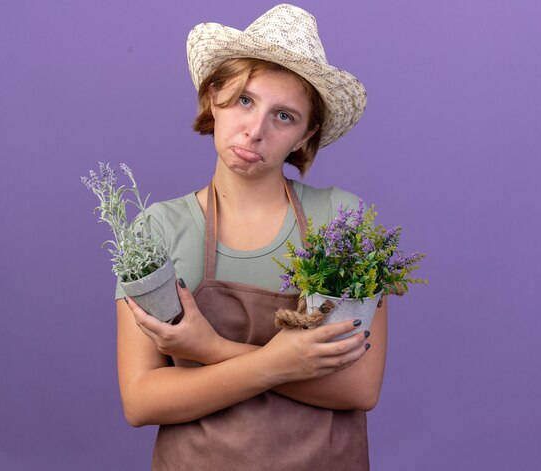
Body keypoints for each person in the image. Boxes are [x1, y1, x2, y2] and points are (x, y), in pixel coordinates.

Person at [115, 4, 387, 470]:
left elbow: (357, 389)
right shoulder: (157, 229)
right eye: (245, 100)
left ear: (306, 135)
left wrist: (210, 349)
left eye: (283, 116)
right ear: (213, 96)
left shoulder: (342, 219)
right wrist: (281, 361)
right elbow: (141, 400)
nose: (255, 130)